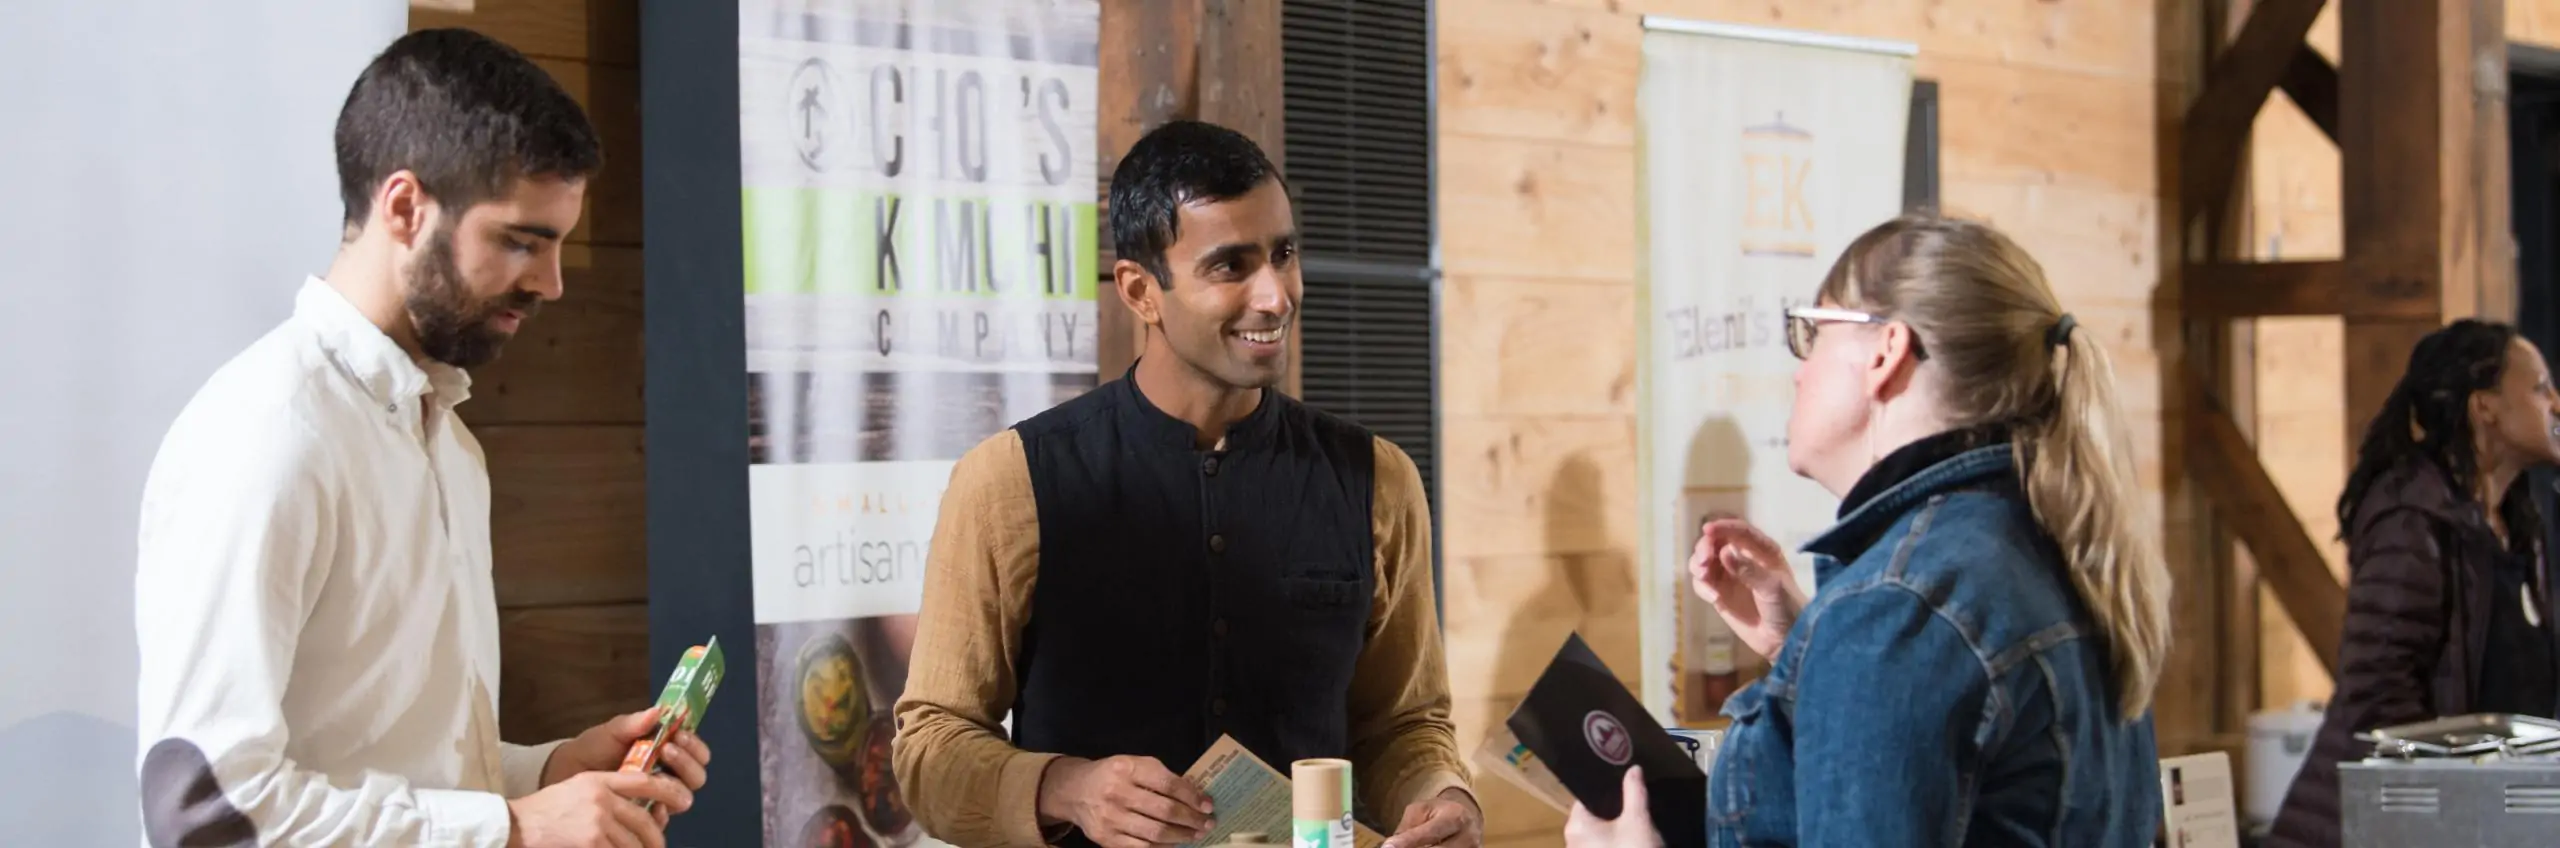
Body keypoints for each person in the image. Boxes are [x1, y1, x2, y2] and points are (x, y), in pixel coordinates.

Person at [133, 28, 708, 848]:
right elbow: (207, 811)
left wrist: (548, 776)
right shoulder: (267, 436)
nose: (550, 285)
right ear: (404, 207)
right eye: (521, 242)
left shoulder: (447, 444)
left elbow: (397, 765)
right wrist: (509, 829)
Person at [893, 119, 1479, 848]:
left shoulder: (1377, 481)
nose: (1274, 296)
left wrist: (1445, 797)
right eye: (1231, 266)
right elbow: (929, 748)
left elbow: (1404, 724)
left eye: (1284, 254)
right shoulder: (1008, 482)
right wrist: (1065, 787)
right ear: (1141, 291)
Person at [1565, 215, 2171, 846]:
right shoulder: (2056, 550)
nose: (1800, 369)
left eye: (1813, 332)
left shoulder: (1894, 614)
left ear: (1885, 353)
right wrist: (1808, 646)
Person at [2267, 319, 2560, 847]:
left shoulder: (2517, 525)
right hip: (2376, 828)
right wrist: (2456, 786)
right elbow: (2379, 708)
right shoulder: (2413, 516)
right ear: (2485, 407)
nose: (2556, 402)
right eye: (2540, 387)